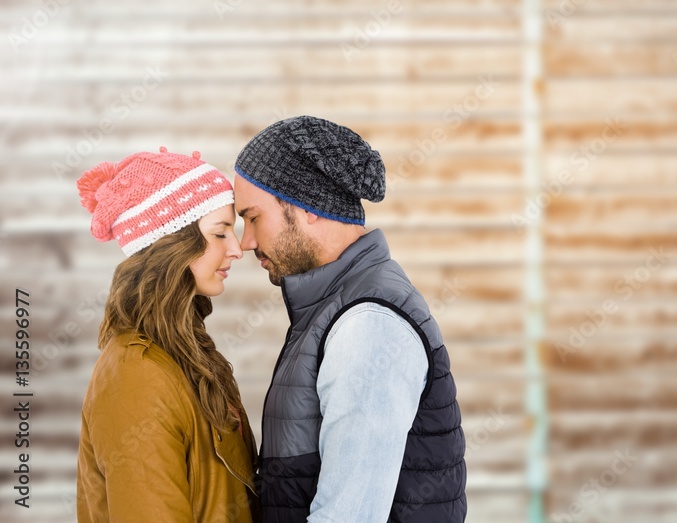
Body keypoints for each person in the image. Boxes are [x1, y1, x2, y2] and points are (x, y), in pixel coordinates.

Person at [233, 115, 466, 522]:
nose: (245, 241)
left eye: (253, 217)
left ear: (306, 207)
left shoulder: (368, 324)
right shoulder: (332, 308)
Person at [75, 147, 261, 522]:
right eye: (221, 232)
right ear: (172, 245)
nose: (237, 249)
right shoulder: (136, 376)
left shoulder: (186, 353)